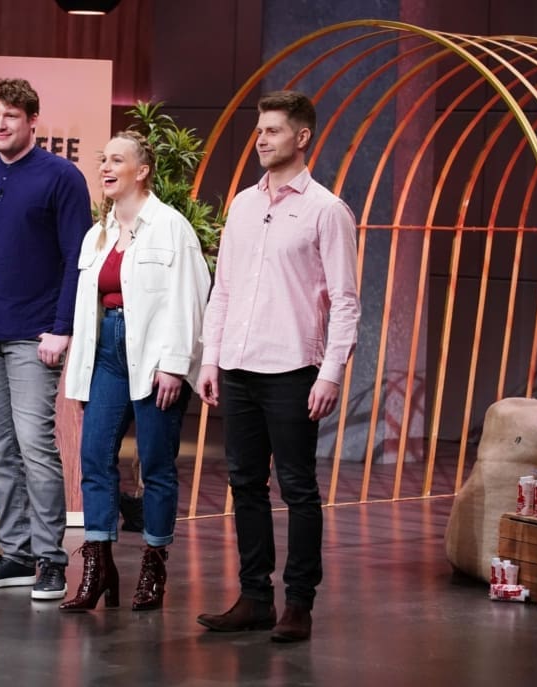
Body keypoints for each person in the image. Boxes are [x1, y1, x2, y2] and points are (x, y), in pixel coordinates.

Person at [195, 90, 360, 642]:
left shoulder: (326, 211)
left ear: (302, 137)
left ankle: (299, 603)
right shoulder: (242, 204)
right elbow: (223, 290)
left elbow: (346, 300)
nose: (261, 139)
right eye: (259, 130)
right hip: (239, 366)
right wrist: (210, 358)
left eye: (272, 130)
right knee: (244, 483)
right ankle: (255, 596)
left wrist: (332, 372)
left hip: (293, 369)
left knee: (297, 488)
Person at [0, 77, 92, 601]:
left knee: (34, 446)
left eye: (12, 115)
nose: (1, 124)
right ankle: (15, 553)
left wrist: (62, 327)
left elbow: (79, 258)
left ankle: (51, 558)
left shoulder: (62, 178)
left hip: (34, 335)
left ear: (32, 121)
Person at [61, 130, 210, 612]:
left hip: (153, 357)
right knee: (95, 458)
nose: (105, 167)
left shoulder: (171, 227)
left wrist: (174, 364)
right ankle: (99, 566)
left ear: (142, 171)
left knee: (157, 465)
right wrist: (80, 373)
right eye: (102, 159)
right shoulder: (97, 233)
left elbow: (190, 300)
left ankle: (153, 564)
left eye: (117, 160)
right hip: (107, 353)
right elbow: (88, 310)